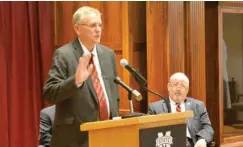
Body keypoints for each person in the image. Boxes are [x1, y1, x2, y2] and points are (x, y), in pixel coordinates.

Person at [43, 6, 119, 147]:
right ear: (77, 29)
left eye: (100, 25)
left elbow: (113, 94)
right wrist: (76, 81)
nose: (98, 29)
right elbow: (49, 93)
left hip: (108, 135)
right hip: (75, 139)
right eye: (92, 25)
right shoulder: (64, 54)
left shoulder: (108, 54)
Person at [148, 72, 214, 147]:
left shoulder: (198, 106)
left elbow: (207, 127)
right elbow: (149, 134)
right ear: (168, 87)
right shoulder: (155, 108)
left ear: (187, 89)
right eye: (175, 84)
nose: (178, 89)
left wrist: (202, 139)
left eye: (183, 86)